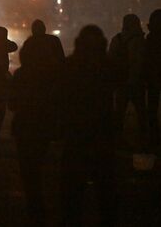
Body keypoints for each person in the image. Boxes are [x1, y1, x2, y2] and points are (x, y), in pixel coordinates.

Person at [57, 25, 117, 226]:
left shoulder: (70, 66)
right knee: (105, 194)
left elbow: (59, 99)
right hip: (102, 135)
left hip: (75, 136)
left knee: (72, 194)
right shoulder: (107, 67)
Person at [8, 25, 63, 225]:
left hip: (25, 127)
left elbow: (12, 103)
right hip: (45, 125)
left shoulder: (22, 75)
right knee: (42, 163)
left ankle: (34, 204)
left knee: (28, 168)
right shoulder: (52, 76)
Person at [109, 14, 147, 138]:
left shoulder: (117, 39)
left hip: (121, 81)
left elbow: (111, 59)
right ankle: (146, 138)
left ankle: (117, 137)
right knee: (141, 112)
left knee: (119, 112)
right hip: (136, 82)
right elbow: (139, 62)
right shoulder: (139, 40)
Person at [144, 9, 161, 146]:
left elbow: (146, 59)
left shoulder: (150, 39)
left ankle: (154, 137)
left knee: (152, 110)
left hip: (153, 78)